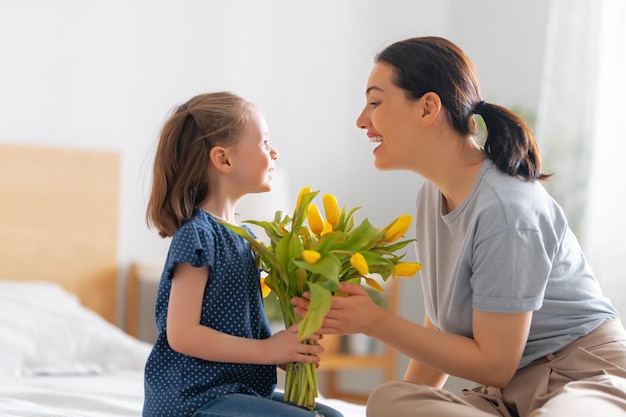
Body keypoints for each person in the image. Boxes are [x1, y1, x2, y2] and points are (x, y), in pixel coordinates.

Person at [292, 36, 626, 417]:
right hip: (509, 396)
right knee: (388, 402)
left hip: (583, 379)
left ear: (427, 108)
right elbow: (440, 327)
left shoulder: (506, 207)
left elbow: (496, 364)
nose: (362, 120)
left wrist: (376, 323)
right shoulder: (431, 198)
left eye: (375, 102)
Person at [143, 91, 343, 417]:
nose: (275, 152)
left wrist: (281, 349)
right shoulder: (197, 235)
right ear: (223, 159)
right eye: (264, 143)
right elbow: (181, 335)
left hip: (235, 390)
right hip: (193, 398)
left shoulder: (244, 237)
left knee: (332, 416)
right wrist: (267, 350)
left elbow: (244, 326)